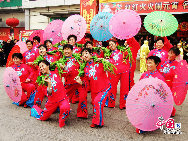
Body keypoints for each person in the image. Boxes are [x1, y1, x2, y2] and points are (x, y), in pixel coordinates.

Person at [75, 48, 111, 128]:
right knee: (96, 104)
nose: (85, 55)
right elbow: (86, 83)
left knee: (97, 102)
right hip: (94, 90)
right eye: (83, 54)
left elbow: (109, 67)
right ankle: (97, 120)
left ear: (91, 54)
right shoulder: (84, 68)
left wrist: (106, 61)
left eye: (86, 53)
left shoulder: (99, 61)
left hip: (104, 87)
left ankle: (98, 122)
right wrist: (80, 82)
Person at [31, 60, 70, 127]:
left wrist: (63, 66)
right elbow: (48, 94)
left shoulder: (56, 72)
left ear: (48, 65)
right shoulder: (42, 80)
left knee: (65, 107)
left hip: (62, 98)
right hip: (52, 101)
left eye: (42, 66)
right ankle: (35, 108)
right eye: (40, 67)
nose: (41, 68)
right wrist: (49, 84)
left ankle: (61, 120)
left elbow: (67, 72)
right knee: (43, 117)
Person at [61, 44, 88, 118]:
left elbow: (82, 67)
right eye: (65, 49)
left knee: (83, 97)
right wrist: (64, 69)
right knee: (64, 98)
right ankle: (64, 112)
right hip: (69, 83)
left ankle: (82, 114)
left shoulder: (77, 59)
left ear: (72, 51)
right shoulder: (61, 62)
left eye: (68, 49)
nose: (66, 51)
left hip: (79, 82)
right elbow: (63, 74)